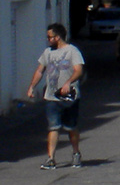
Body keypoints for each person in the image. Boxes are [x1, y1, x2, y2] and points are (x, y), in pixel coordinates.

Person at [26, 24, 85, 169]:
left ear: (57, 37)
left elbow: (78, 70)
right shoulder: (48, 53)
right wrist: (32, 86)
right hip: (52, 97)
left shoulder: (72, 51)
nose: (48, 39)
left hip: (70, 97)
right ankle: (51, 158)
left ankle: (76, 153)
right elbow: (40, 70)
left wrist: (68, 83)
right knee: (53, 127)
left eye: (50, 37)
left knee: (71, 127)